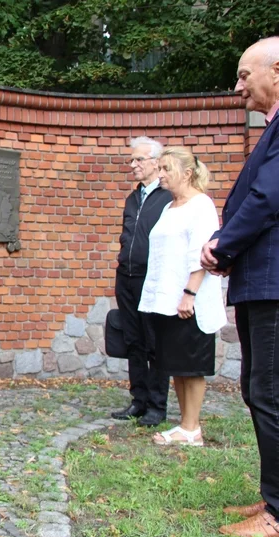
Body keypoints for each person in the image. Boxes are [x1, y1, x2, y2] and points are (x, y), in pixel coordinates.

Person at [199, 37, 279, 537]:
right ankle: (273, 496)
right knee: (260, 390)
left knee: (269, 393)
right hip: (261, 281)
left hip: (273, 285)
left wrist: (222, 245)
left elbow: (267, 197)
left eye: (245, 74)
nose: (238, 86)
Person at [137, 147, 226, 446]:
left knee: (192, 365)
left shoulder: (201, 205)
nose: (160, 174)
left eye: (166, 168)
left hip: (190, 301)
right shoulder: (169, 206)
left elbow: (200, 252)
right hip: (166, 301)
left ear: (187, 173)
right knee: (176, 364)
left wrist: (189, 293)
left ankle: (192, 428)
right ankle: (186, 426)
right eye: (159, 167)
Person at [111, 137, 173, 427]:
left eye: (138, 160)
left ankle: (157, 406)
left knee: (155, 342)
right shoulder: (133, 197)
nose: (132, 164)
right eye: (132, 160)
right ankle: (138, 400)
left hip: (153, 278)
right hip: (127, 276)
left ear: (155, 163)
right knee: (133, 340)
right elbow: (128, 233)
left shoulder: (168, 197)